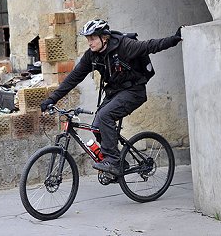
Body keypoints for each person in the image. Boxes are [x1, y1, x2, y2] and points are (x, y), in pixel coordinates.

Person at [40, 19, 183, 175]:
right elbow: (74, 77)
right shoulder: (92, 56)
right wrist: (51, 99)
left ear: (104, 37)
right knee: (96, 125)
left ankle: (113, 161)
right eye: (88, 39)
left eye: (93, 38)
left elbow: (150, 45)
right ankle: (119, 162)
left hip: (134, 91)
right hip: (115, 92)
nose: (90, 42)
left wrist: (174, 39)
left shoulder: (124, 46)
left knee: (104, 116)